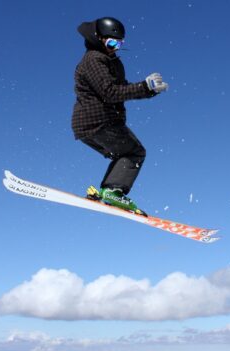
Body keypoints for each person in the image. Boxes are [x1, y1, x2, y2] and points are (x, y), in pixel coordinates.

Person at [72, 17, 168, 216]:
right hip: (98, 121)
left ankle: (108, 191)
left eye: (119, 44)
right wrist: (144, 87)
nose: (115, 48)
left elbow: (122, 90)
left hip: (90, 125)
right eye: (112, 43)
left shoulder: (111, 62)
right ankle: (113, 192)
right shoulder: (94, 59)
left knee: (122, 155)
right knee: (135, 152)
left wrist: (149, 90)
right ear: (98, 39)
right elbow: (110, 92)